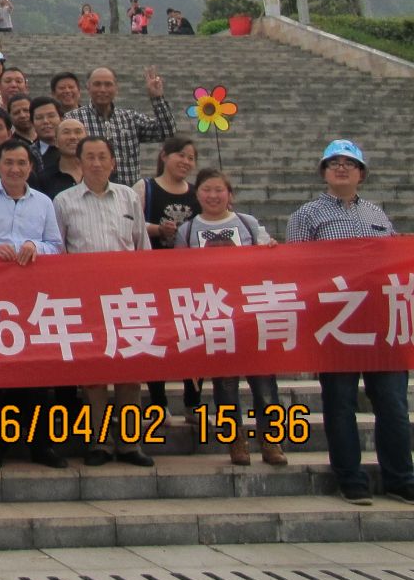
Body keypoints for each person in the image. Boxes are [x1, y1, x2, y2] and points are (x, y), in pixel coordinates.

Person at [286, 140, 414, 506]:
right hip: (335, 322)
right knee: (340, 402)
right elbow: (296, 269)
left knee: (392, 402)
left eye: (349, 163)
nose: (341, 168)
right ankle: (350, 478)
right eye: (334, 163)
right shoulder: (306, 216)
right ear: (324, 172)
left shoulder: (377, 214)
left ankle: (400, 478)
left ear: (361, 174)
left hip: (380, 323)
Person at [0, 140, 66, 469]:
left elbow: (56, 246)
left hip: (33, 299)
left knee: (35, 375)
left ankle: (40, 445)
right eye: (8, 162)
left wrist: (36, 246)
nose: (15, 169)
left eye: (22, 163)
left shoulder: (44, 203)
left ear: (31, 167)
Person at [53, 135, 154, 468]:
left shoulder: (128, 197)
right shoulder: (63, 201)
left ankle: (129, 443)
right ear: (79, 162)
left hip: (127, 298)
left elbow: (142, 247)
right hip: (85, 300)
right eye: (90, 157)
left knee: (129, 373)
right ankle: (99, 442)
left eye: (102, 157)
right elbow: (59, 251)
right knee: (94, 374)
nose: (96, 163)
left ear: (113, 162)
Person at [173, 167, 285, 466]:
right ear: (197, 195)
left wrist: (271, 248)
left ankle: (271, 440)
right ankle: (235, 442)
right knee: (225, 387)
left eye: (219, 190)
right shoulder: (187, 231)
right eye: (206, 190)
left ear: (230, 194)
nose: (213, 195)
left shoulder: (248, 223)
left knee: (265, 384)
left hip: (252, 315)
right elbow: (179, 276)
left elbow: (269, 260)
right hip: (215, 317)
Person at [64, 65, 175, 188]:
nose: (102, 89)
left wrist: (157, 98)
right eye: (97, 84)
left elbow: (167, 132)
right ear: (88, 87)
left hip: (128, 193)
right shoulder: (73, 119)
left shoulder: (130, 118)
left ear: (117, 88)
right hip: (89, 193)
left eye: (108, 84)